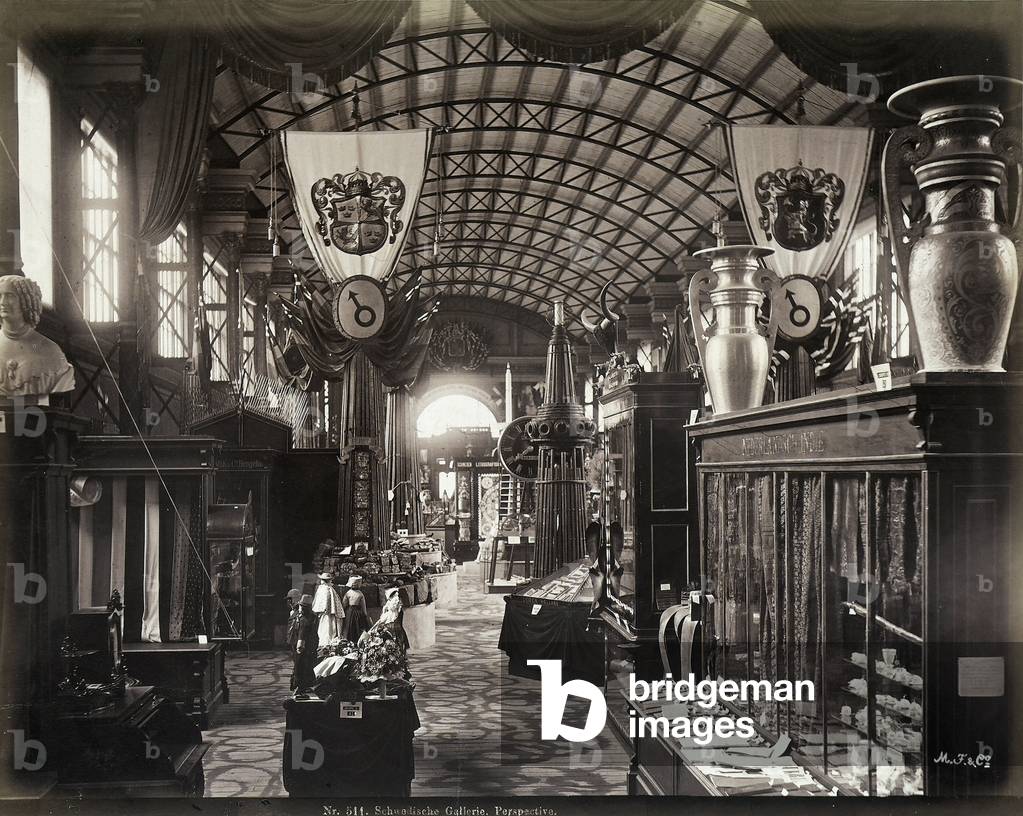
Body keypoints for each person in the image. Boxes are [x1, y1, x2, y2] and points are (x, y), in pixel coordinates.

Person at [0, 275, 75, 400]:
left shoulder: (51, 351)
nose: (2, 302)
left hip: (37, 417)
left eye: (10, 296)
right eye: (0, 296)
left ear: (26, 301)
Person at [288, 594, 319, 697]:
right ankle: (305, 685)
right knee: (307, 664)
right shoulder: (312, 617)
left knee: (299, 665)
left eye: (301, 606)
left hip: (302, 645)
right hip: (310, 645)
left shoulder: (303, 619)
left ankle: (299, 686)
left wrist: (299, 646)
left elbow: (301, 635)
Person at [340, 577, 371, 642]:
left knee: (348, 625)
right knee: (358, 625)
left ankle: (349, 639)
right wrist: (365, 614)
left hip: (349, 611)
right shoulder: (360, 593)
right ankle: (357, 639)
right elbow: (363, 606)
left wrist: (343, 610)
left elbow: (344, 604)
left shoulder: (348, 593)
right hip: (358, 611)